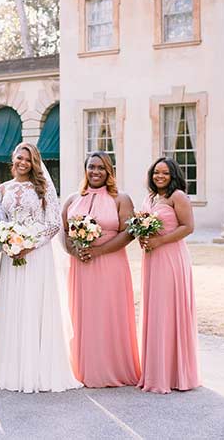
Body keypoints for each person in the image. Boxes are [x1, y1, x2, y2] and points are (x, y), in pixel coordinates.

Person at [0, 143, 82, 393]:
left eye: (28, 160)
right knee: (13, 307)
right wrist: (7, 241)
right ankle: (13, 370)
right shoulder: (3, 188)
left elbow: (52, 224)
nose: (23, 163)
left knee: (35, 306)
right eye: (19, 158)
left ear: (34, 163)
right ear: (13, 158)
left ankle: (38, 370)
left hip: (37, 256)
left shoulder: (42, 188)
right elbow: (3, 221)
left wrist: (29, 244)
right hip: (11, 258)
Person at [61, 151, 141, 387]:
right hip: (81, 266)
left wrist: (99, 251)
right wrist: (75, 250)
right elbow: (63, 232)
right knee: (83, 314)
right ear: (85, 170)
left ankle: (112, 367)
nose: (96, 172)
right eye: (91, 167)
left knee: (108, 312)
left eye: (101, 168)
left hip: (111, 264)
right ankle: (83, 367)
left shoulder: (121, 199)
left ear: (109, 171)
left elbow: (130, 232)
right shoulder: (73, 199)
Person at [137, 157, 200, 394]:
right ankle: (155, 371)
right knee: (155, 311)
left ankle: (174, 374)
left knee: (168, 310)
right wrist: (142, 236)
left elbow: (188, 227)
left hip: (171, 257)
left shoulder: (178, 197)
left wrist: (159, 240)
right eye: (156, 173)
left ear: (173, 175)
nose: (160, 176)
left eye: (164, 173)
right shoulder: (150, 198)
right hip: (152, 258)